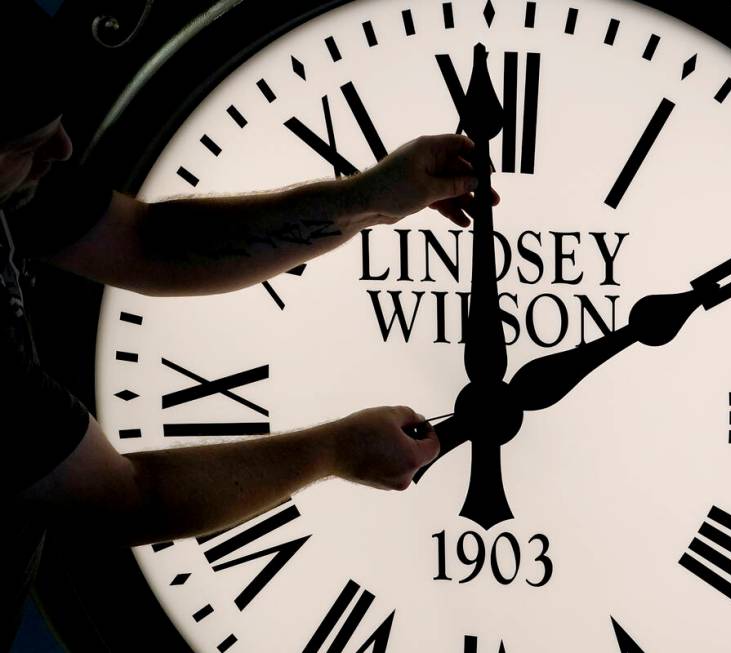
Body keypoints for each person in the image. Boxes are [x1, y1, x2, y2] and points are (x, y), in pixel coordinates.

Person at [1, 1, 496, 647]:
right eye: (25, 144)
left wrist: (368, 199)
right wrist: (335, 449)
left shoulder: (16, 186)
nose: (61, 150)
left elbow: (146, 242)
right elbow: (121, 499)